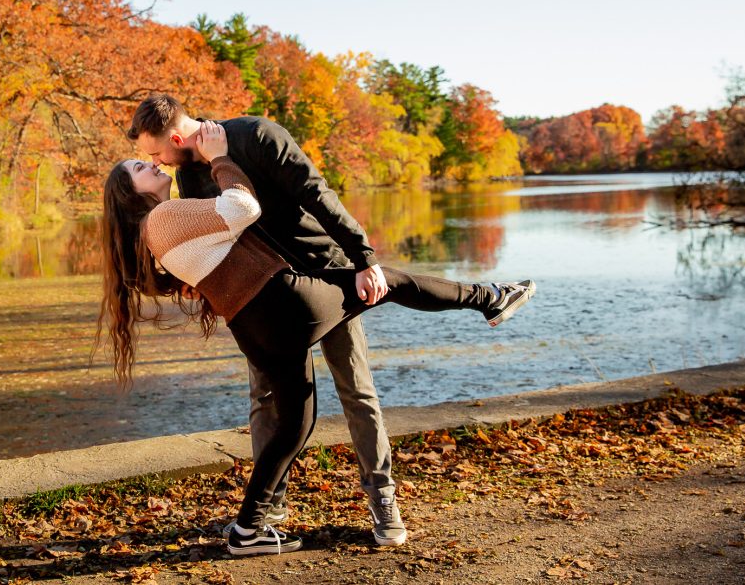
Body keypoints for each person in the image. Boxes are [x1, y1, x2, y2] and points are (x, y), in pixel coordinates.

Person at [97, 121, 536, 556]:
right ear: (130, 192)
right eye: (141, 166)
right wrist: (222, 160)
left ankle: (248, 530)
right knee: (391, 282)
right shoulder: (166, 213)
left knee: (295, 425)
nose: (152, 164)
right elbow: (242, 210)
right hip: (288, 304)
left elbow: (280, 210)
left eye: (149, 156)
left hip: (254, 326)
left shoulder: (153, 229)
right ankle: (489, 298)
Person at [127, 93, 408, 547]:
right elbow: (210, 241)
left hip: (328, 278)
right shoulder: (190, 176)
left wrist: (363, 259)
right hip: (268, 302)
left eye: (156, 152)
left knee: (356, 390)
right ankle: (268, 508)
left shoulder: (256, 134)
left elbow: (318, 194)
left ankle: (383, 501)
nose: (158, 161)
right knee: (266, 398)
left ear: (176, 137)